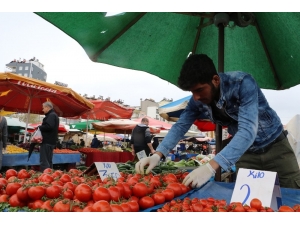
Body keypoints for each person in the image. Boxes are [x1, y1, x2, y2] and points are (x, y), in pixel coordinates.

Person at [135, 53, 300, 189]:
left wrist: (210, 167)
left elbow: (248, 131)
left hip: (277, 149)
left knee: (292, 195)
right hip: (245, 154)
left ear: (215, 80)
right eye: (192, 92)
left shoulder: (243, 83)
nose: (196, 97)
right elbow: (180, 126)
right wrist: (158, 154)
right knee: (249, 204)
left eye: (199, 89)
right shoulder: (196, 101)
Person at [39, 101, 59, 172]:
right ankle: (50, 175)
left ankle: (45, 176)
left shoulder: (51, 115)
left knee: (44, 161)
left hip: (47, 141)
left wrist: (40, 127)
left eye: (43, 108)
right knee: (49, 160)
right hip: (51, 141)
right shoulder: (54, 115)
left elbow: (49, 126)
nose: (43, 110)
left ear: (47, 107)